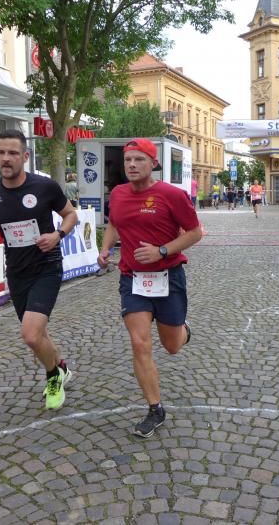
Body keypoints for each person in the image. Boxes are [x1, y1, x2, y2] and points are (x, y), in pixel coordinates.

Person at [97, 138, 201, 438]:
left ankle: (183, 330)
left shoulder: (172, 195)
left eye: (139, 159)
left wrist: (162, 251)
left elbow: (195, 232)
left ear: (153, 163)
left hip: (168, 277)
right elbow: (114, 224)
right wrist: (105, 249)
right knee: (139, 343)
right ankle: (155, 409)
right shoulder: (118, 194)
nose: (132, 165)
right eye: (128, 160)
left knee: (172, 346)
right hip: (133, 279)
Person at [0, 129, 78, 410]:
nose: (6, 158)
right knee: (38, 334)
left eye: (12, 153)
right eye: (1, 152)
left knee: (31, 334)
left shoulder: (44, 187)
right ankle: (61, 367)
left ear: (24, 156)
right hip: (16, 270)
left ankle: (53, 376)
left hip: (46, 266)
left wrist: (57, 235)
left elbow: (70, 214)